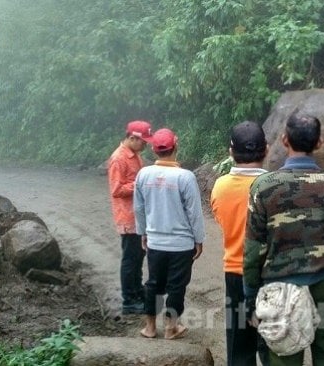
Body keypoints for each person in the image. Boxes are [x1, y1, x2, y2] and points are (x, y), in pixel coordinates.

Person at [243, 113, 324, 365]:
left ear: (284, 140)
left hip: (280, 286)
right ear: (319, 143)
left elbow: (253, 249)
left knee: (284, 353)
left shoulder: (264, 187)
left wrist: (251, 296)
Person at [134, 128, 205, 340]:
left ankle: (149, 327)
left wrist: (142, 233)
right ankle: (171, 328)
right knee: (177, 286)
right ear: (176, 145)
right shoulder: (185, 177)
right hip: (181, 245)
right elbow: (194, 213)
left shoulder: (143, 174)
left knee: (153, 283)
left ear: (154, 150)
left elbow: (139, 208)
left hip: (155, 242)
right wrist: (199, 239)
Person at [211, 121, 270, 366]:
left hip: (236, 273)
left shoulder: (220, 187)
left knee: (239, 347)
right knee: (274, 346)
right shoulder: (276, 185)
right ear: (266, 150)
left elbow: (222, 221)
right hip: (271, 275)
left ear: (230, 151)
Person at [107, 120, 153, 315]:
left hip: (137, 216)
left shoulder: (135, 156)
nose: (145, 145)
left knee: (137, 257)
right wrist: (140, 185)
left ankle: (137, 291)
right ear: (132, 138)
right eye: (143, 141)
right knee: (130, 259)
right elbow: (116, 189)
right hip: (128, 217)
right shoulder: (119, 159)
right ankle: (129, 299)